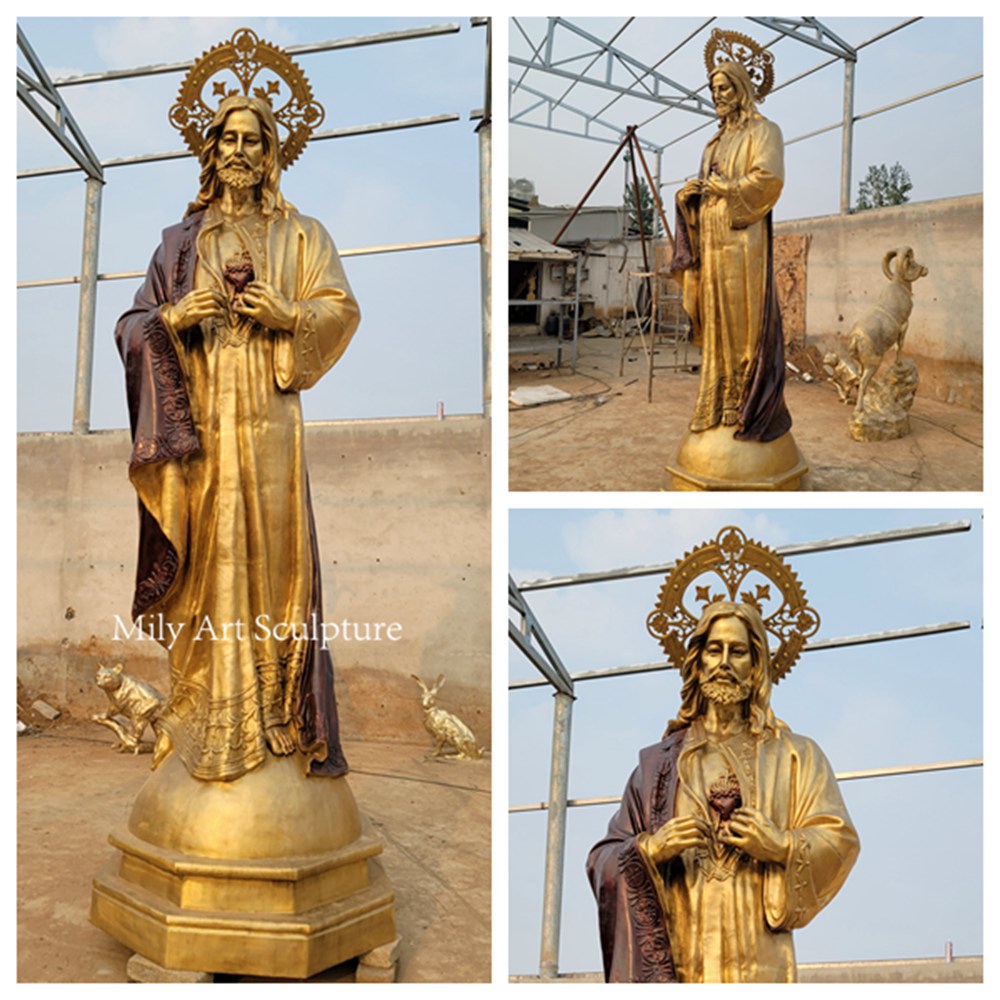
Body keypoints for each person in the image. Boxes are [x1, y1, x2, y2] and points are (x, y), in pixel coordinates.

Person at [115, 93, 359, 782]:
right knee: (206, 556)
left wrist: (289, 314)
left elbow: (340, 307)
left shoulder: (303, 234)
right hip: (200, 432)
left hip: (272, 426)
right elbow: (132, 326)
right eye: (230, 138)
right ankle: (202, 703)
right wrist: (171, 316)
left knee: (278, 561)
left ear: (272, 153)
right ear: (211, 150)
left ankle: (275, 713)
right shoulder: (178, 245)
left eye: (255, 140)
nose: (241, 152)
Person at [587, 601, 859, 982]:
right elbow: (604, 858)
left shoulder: (796, 756)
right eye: (714, 650)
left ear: (757, 664)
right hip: (679, 957)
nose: (724, 662)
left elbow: (840, 838)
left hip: (760, 956)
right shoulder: (657, 768)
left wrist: (781, 846)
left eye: (738, 651)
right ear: (698, 664)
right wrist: (652, 849)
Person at [672, 58, 791, 442]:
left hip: (742, 241)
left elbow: (768, 178)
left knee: (743, 320)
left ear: (741, 87)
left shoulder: (765, 131)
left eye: (724, 88)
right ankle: (716, 400)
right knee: (716, 319)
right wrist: (688, 199)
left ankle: (745, 400)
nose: (717, 96)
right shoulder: (714, 142)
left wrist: (729, 190)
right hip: (712, 242)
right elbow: (708, 186)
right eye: (713, 89)